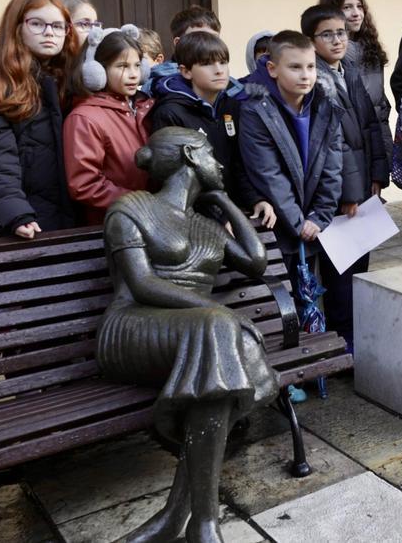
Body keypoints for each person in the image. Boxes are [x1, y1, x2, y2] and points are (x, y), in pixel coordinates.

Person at [97, 127, 277, 543]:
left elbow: (256, 261)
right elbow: (141, 285)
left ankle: (185, 518)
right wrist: (217, 311)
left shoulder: (204, 224)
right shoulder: (130, 209)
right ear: (191, 157)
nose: (220, 163)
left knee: (221, 350)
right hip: (133, 327)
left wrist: (224, 201)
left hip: (198, 335)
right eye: (212, 155)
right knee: (220, 331)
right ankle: (200, 522)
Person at [301, 3, 388, 344]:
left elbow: (370, 127)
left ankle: (353, 334)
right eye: (327, 34)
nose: (337, 40)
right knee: (340, 272)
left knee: (359, 266)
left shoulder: (349, 69)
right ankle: (342, 339)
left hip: (364, 186)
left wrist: (379, 176)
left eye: (341, 33)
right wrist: (348, 195)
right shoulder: (316, 80)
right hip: (340, 195)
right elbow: (334, 145)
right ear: (312, 40)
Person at [0, 0, 80, 238]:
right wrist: (15, 212)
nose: (50, 32)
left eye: (58, 26)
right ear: (16, 27)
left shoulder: (67, 78)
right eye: (37, 24)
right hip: (29, 219)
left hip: (68, 214)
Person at [238, 31, 344, 275]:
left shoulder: (325, 102)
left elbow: (333, 165)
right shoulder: (255, 109)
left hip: (312, 222)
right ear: (273, 69)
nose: (305, 75)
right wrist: (299, 224)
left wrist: (320, 216)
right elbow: (267, 172)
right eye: (295, 67)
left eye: (310, 66)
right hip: (280, 227)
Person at [149, 31, 272, 222]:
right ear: (186, 71)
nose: (219, 70)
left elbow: (239, 162)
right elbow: (176, 182)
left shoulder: (232, 106)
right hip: (194, 219)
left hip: (233, 210)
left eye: (223, 62)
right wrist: (217, 218)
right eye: (207, 64)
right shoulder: (169, 113)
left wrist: (255, 199)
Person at [63, 28, 153, 225]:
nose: (133, 74)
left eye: (137, 65)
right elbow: (84, 184)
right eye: (122, 66)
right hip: (114, 227)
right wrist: (143, 204)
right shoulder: (84, 118)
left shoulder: (146, 106)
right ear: (98, 71)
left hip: (151, 222)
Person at [320, 0, 393, 163]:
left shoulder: (371, 49)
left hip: (374, 145)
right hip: (348, 150)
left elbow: (380, 106)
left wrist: (384, 153)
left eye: (359, 7)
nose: (356, 14)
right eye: (347, 7)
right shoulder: (328, 56)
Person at [146, 5, 242, 98]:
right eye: (199, 38)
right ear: (178, 43)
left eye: (214, 39)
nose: (209, 45)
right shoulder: (154, 85)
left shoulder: (232, 87)